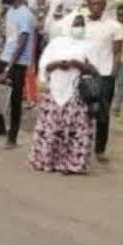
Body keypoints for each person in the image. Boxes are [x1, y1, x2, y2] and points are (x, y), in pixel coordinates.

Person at [29, 17, 96, 175]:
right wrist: (59, 64)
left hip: (77, 93)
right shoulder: (56, 43)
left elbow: (95, 69)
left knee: (75, 130)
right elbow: (45, 64)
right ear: (68, 25)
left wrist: (78, 65)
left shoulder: (89, 44)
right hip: (55, 91)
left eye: (81, 25)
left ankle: (72, 164)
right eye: (76, 24)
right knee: (52, 128)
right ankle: (47, 161)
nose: (79, 27)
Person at [72, 0, 123, 162]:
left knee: (102, 113)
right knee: (81, 111)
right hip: (84, 73)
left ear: (104, 5)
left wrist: (112, 74)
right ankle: (80, 145)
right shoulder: (82, 24)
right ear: (88, 5)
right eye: (92, 3)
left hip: (104, 74)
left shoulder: (114, 26)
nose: (96, 7)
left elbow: (117, 52)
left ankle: (100, 149)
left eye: (99, 4)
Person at [0, 0, 35, 149]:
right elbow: (9, 37)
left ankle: (12, 138)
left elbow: (22, 43)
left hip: (18, 63)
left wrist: (8, 68)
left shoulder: (25, 15)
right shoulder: (10, 11)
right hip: (5, 57)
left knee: (14, 100)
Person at [111, 3, 123, 116]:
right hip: (111, 58)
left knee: (121, 83)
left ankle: (116, 106)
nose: (120, 15)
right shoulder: (113, 25)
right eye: (119, 13)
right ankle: (107, 103)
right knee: (108, 81)